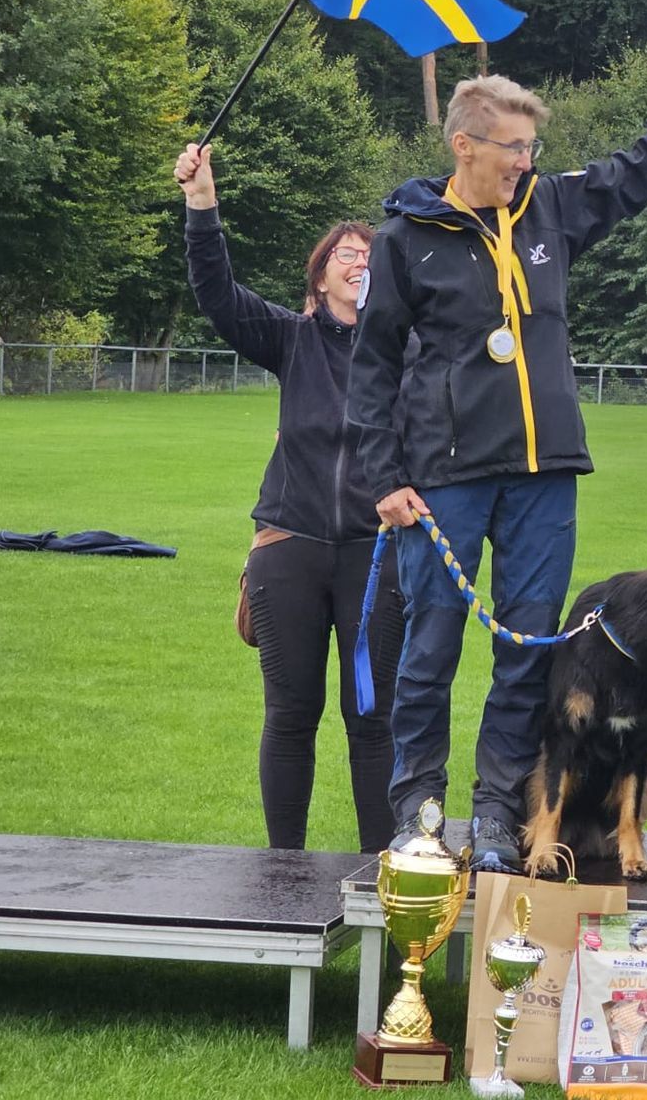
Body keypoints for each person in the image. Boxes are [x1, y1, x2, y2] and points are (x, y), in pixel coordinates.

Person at [347, 15, 647, 869]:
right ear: (465, 146)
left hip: (545, 477)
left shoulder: (549, 209)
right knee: (429, 653)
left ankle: (497, 815)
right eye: (511, 147)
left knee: (524, 655)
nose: (524, 161)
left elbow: (642, 166)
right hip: (444, 479)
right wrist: (384, 479)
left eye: (530, 147)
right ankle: (418, 818)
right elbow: (373, 366)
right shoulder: (404, 241)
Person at [174, 142, 404, 854]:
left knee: (373, 720)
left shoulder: (410, 353)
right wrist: (202, 205)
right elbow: (217, 294)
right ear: (320, 274)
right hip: (288, 548)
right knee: (290, 715)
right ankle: (283, 872)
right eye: (346, 253)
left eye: (371, 254)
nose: (359, 260)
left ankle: (383, 876)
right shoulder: (291, 339)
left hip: (378, 554)